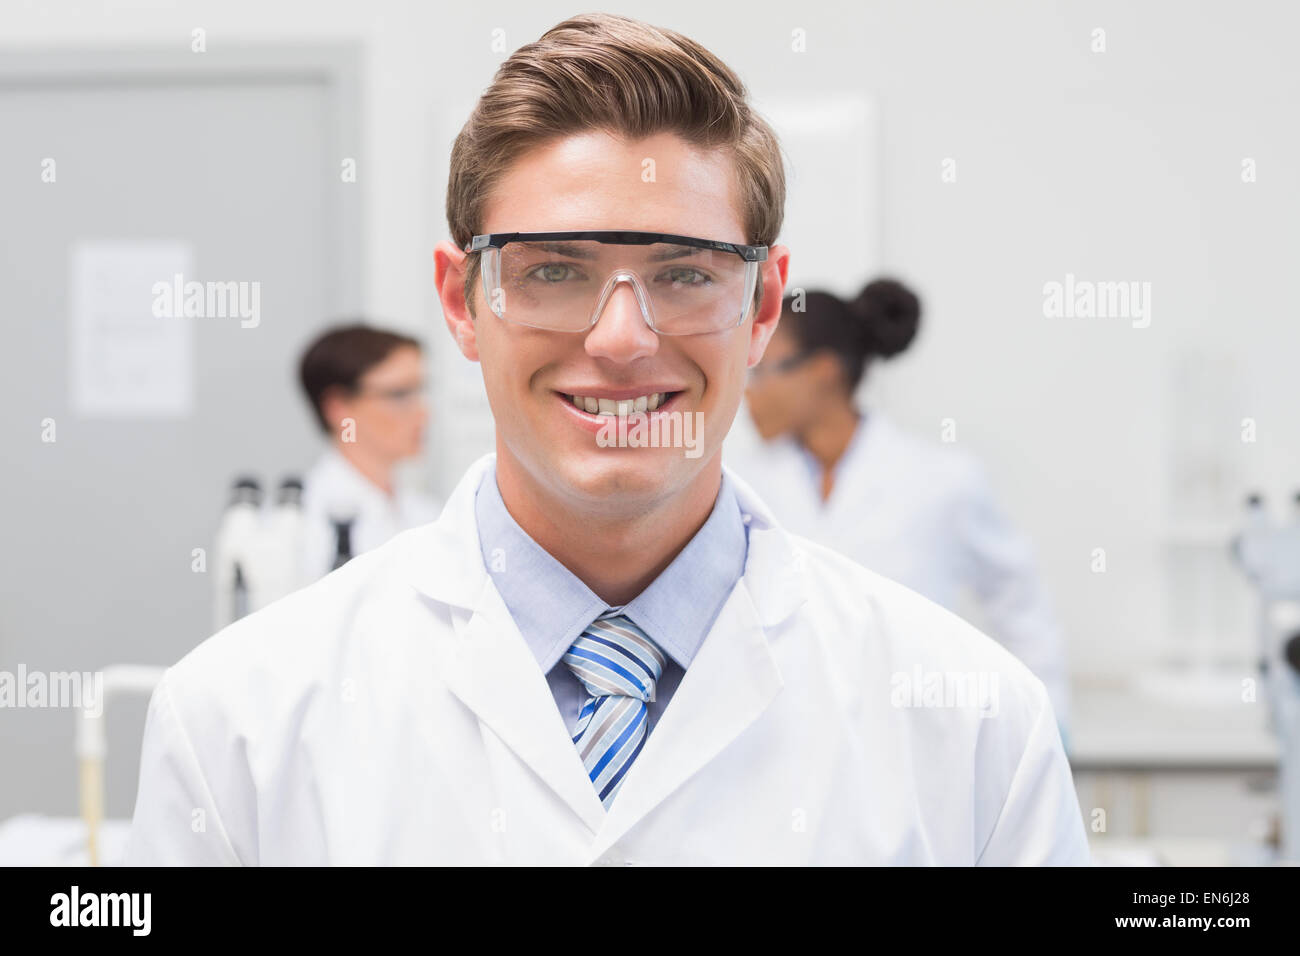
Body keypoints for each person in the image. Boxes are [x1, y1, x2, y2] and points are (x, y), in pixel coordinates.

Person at [125, 13, 1088, 865]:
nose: (622, 339)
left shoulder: (973, 727)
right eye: (553, 270)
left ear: (760, 304)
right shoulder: (239, 723)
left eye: (685, 272)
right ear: (463, 302)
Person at [731, 283, 1072, 738]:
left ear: (824, 371)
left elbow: (1020, 600)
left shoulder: (942, 480)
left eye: (762, 371)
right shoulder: (735, 484)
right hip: (778, 744)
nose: (748, 393)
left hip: (912, 745)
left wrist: (1048, 720)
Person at [296, 323, 441, 581]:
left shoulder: (429, 516)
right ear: (338, 407)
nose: (423, 412)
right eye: (400, 394)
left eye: (420, 391)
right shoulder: (302, 528)